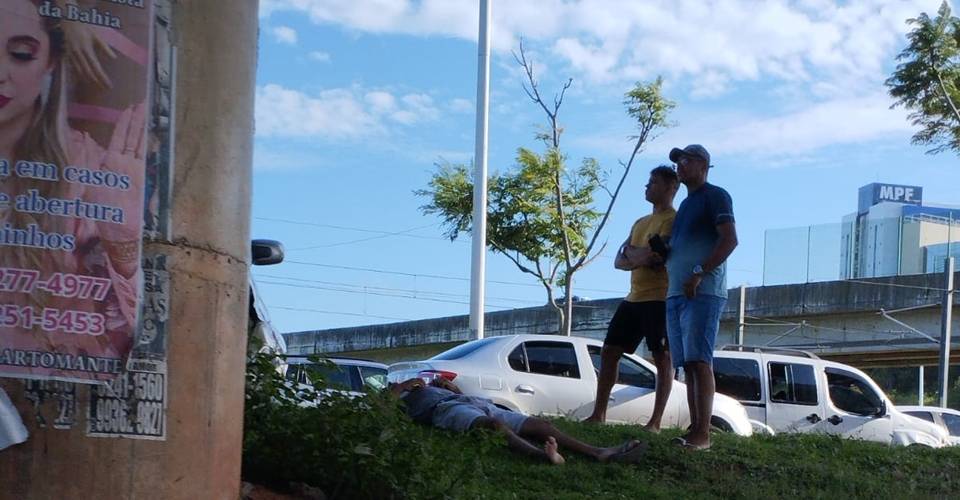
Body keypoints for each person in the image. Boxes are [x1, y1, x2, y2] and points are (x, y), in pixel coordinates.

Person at [0, 0, 146, 378]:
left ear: (50, 62)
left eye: (19, 54)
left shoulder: (89, 169)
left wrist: (124, 248)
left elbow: (127, 345)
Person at [585, 165, 678, 430]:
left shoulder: (673, 219)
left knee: (662, 357)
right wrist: (639, 256)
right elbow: (619, 259)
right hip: (633, 298)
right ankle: (598, 414)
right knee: (609, 351)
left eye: (654, 182)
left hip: (659, 298)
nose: (647, 186)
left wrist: (635, 255)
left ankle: (655, 422)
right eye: (648, 181)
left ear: (671, 187)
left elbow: (657, 257)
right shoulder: (640, 222)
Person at [390, 376, 647, 465]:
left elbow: (464, 395)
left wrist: (450, 386)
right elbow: (383, 405)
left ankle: (598, 452)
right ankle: (541, 456)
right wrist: (402, 386)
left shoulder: (435, 387)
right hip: (443, 410)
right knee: (492, 427)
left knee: (541, 425)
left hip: (473, 401)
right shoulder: (399, 394)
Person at [664, 144, 738, 450]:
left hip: (703, 290)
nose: (679, 166)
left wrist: (699, 271)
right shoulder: (684, 205)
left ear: (703, 165)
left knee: (700, 360)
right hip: (676, 292)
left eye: (685, 160)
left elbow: (729, 239)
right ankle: (695, 429)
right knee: (688, 364)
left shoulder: (715, 195)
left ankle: (703, 434)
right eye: (678, 162)